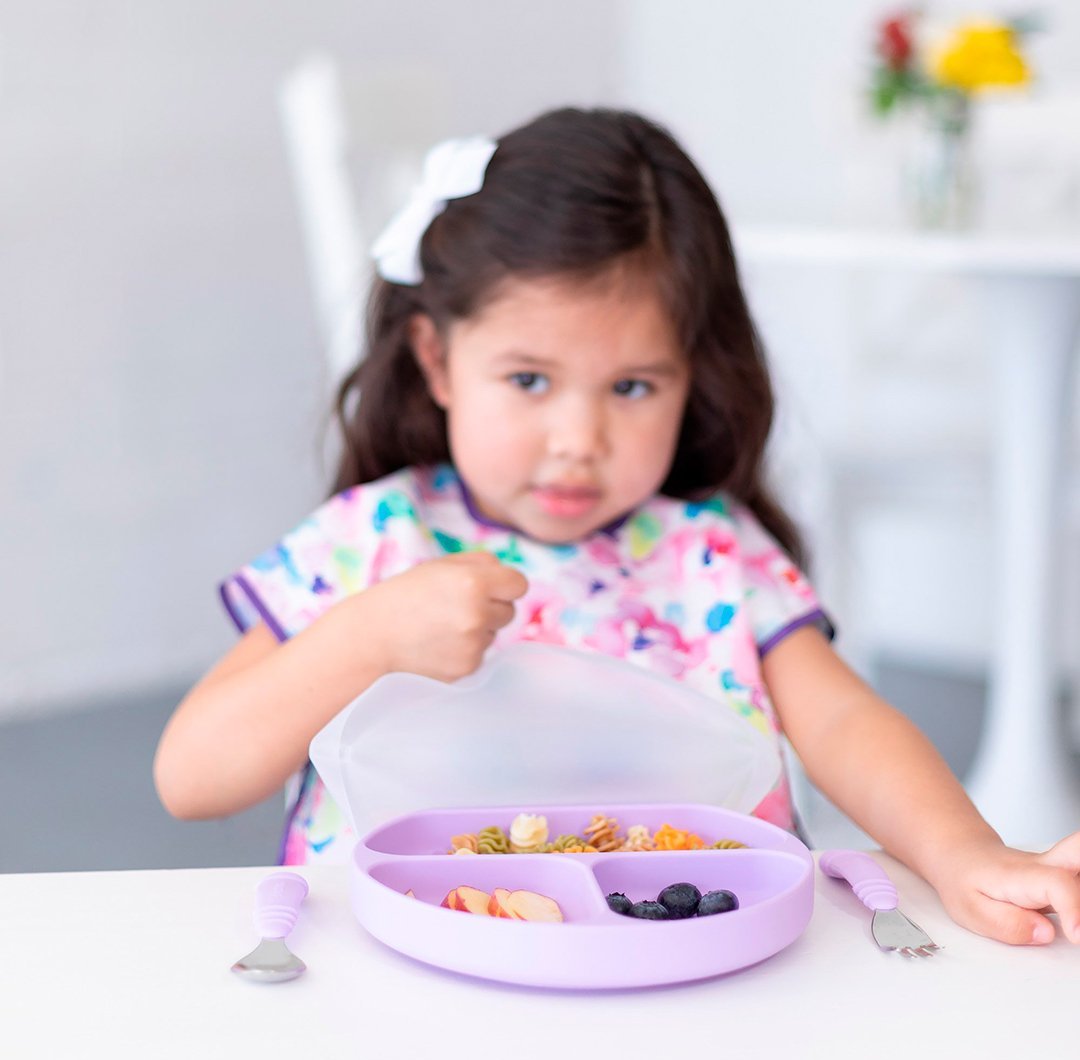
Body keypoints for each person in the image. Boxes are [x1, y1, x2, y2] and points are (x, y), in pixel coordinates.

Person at [154, 107, 1080, 945]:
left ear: (692, 377)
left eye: (632, 387)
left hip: (690, 969)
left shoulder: (713, 551)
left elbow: (844, 721)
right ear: (437, 360)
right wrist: (364, 639)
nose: (578, 441)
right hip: (407, 969)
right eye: (529, 380)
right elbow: (191, 777)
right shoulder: (369, 541)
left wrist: (963, 853)